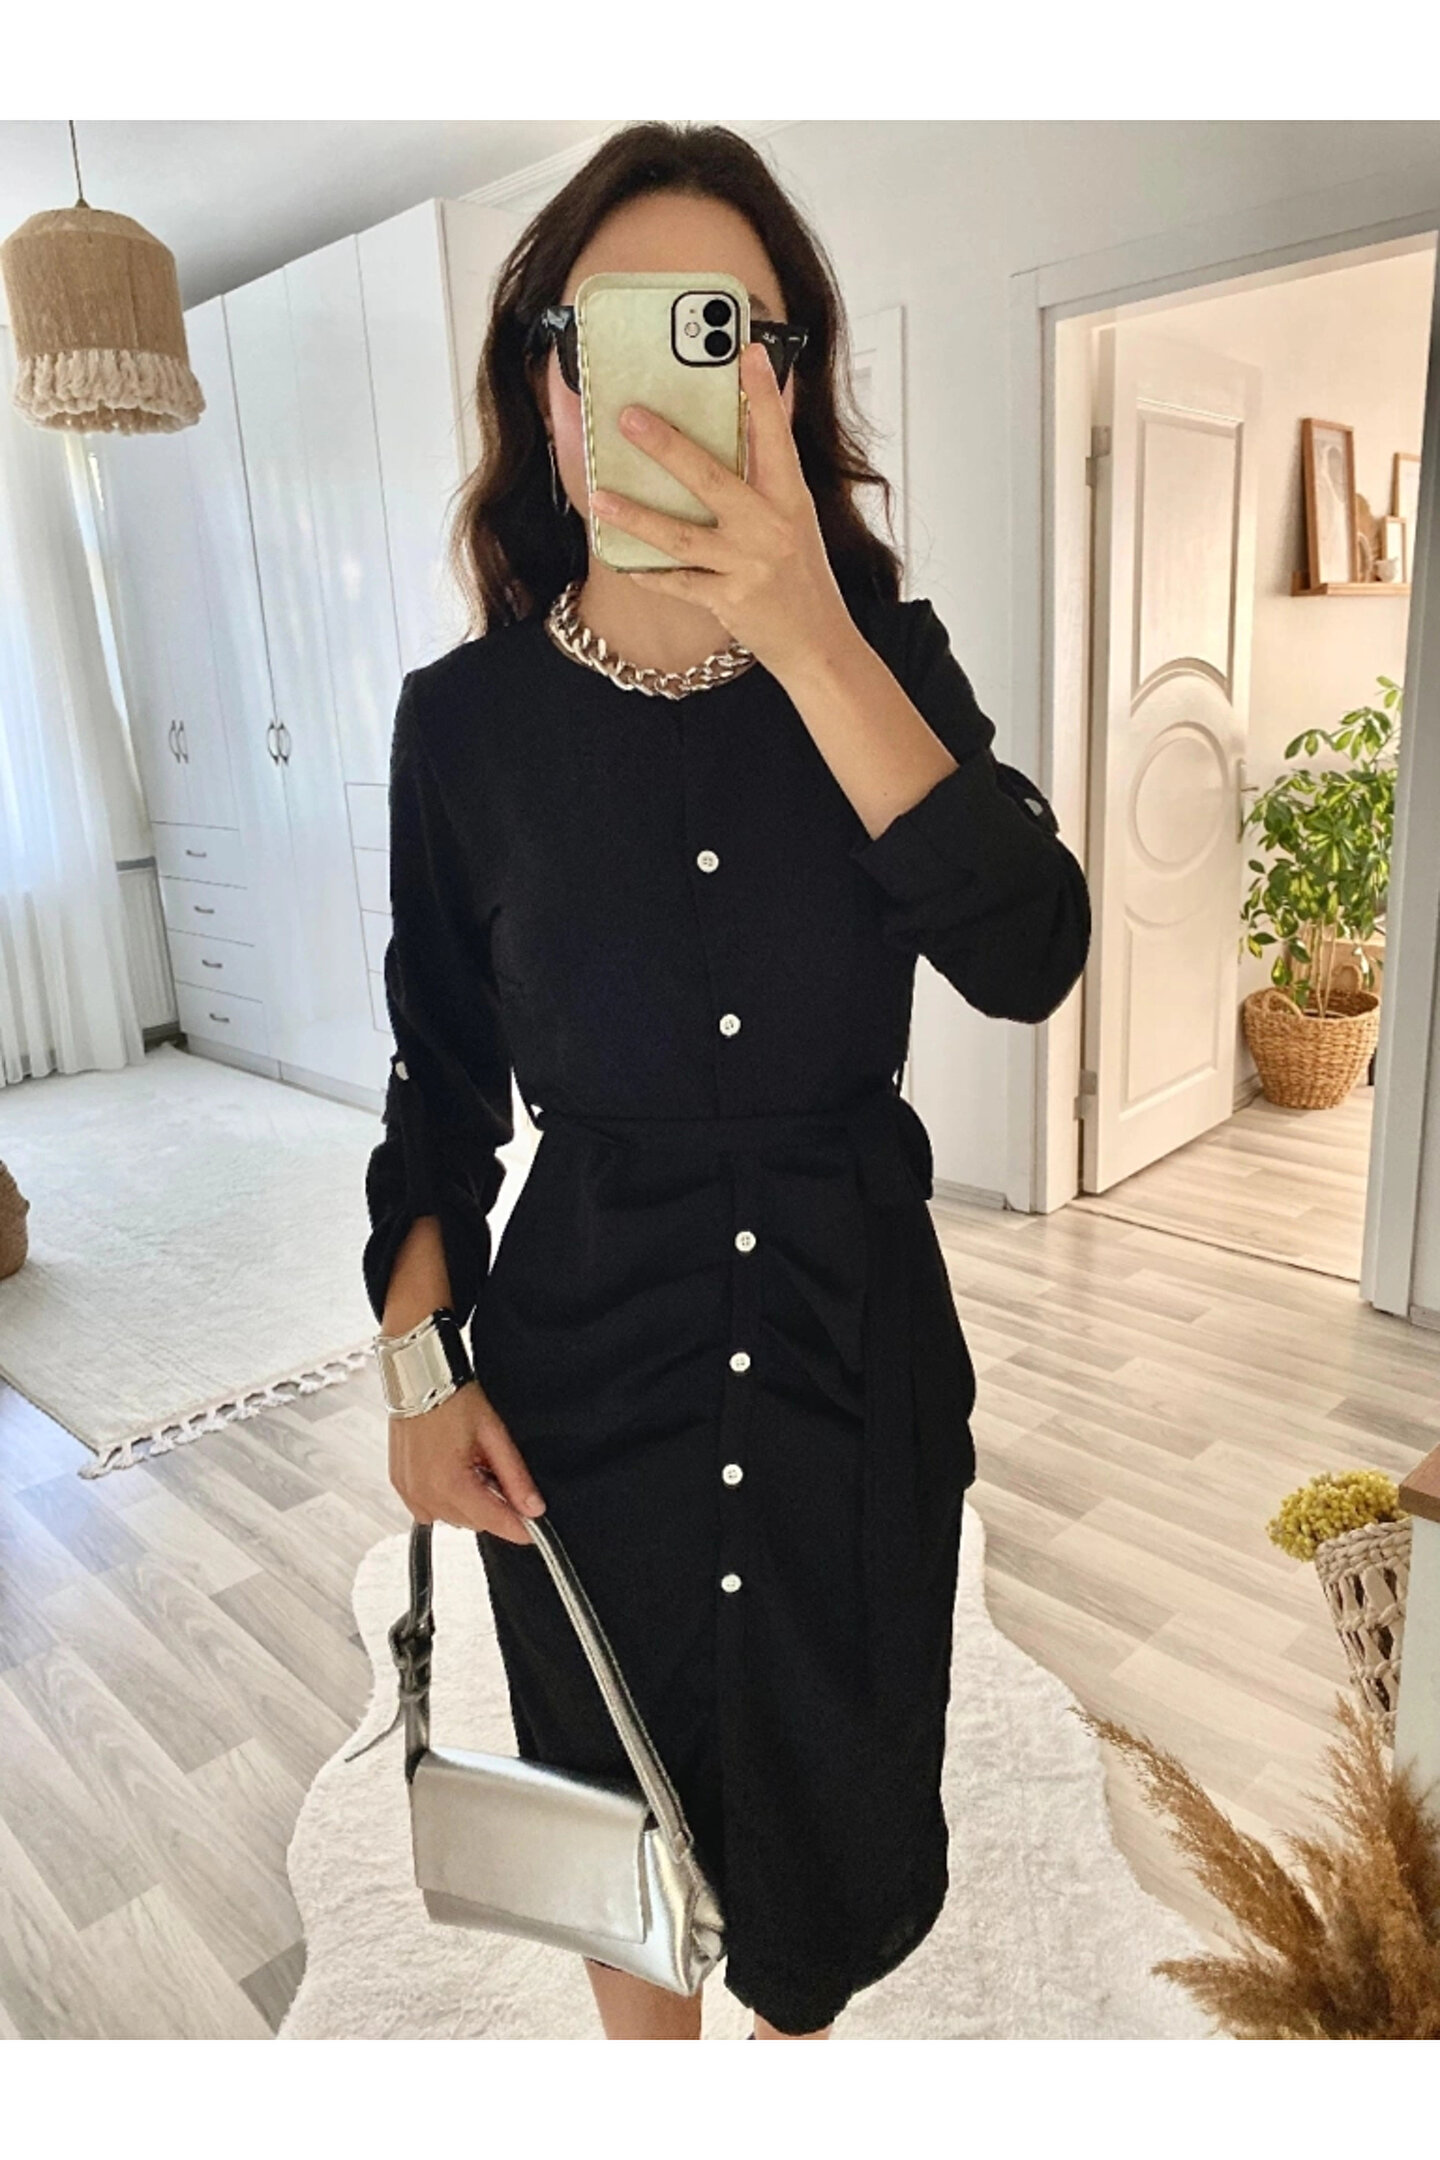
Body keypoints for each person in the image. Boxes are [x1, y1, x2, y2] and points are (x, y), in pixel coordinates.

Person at [362, 121, 1091, 2042]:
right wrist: (419, 1373)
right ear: (548, 384)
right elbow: (439, 1083)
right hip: (579, 1393)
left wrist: (806, 630)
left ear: (788, 380)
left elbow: (1030, 953)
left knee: (831, 1839)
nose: (672, 385)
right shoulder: (464, 732)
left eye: (727, 332)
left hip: (859, 1368)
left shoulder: (879, 660)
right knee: (625, 1837)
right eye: (611, 334)